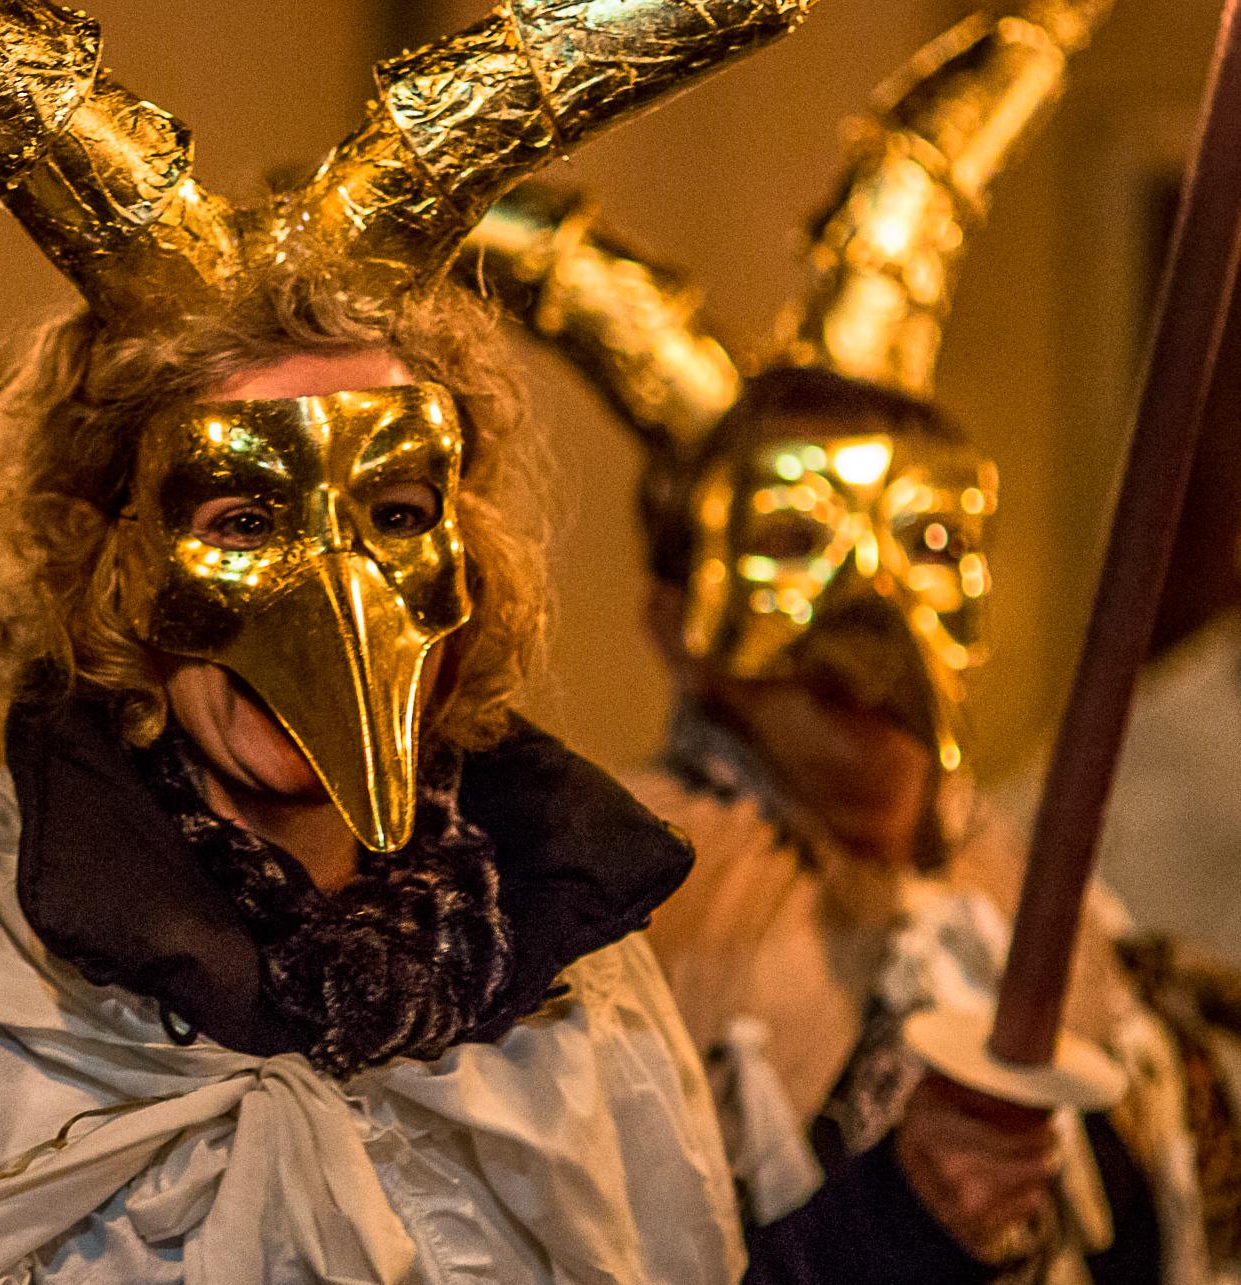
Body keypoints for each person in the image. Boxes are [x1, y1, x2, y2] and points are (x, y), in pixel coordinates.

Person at [0, 2, 837, 1283]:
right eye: (243, 516)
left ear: (470, 558)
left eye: (394, 514)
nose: (329, 602)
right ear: (110, 564)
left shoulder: (567, 961)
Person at [462, 1, 1240, 1280]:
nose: (869, 609)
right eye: (788, 543)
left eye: (928, 544)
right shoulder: (586, 940)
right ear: (675, 617)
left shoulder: (1064, 918)